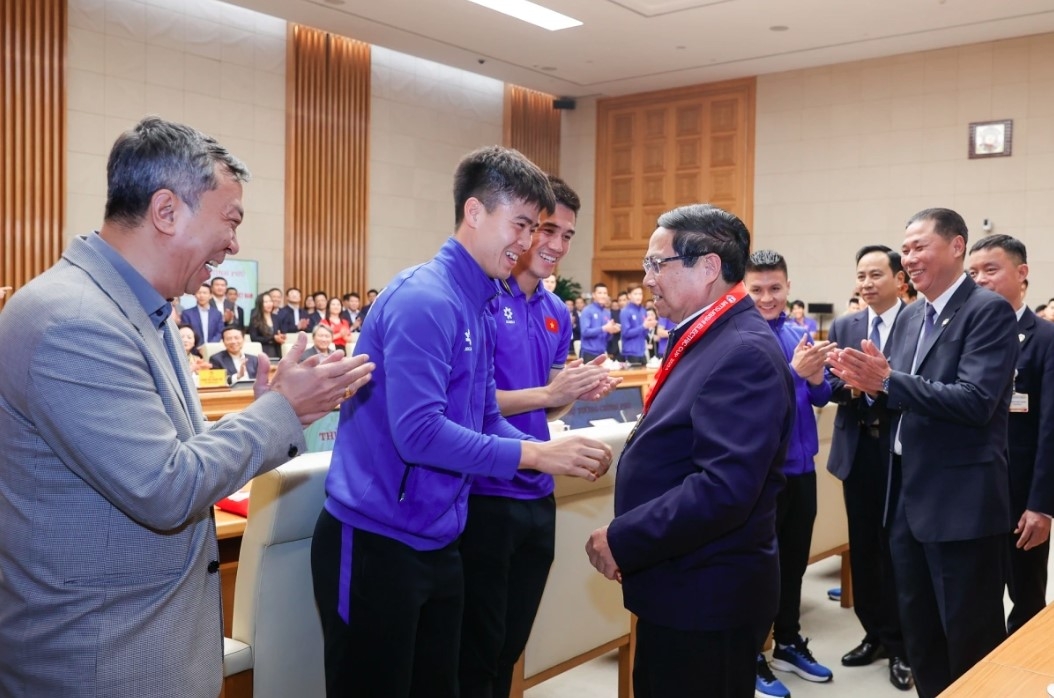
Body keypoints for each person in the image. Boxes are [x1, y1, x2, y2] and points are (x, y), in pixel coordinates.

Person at [0, 116, 374, 697]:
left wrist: (274, 408)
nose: (234, 244)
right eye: (230, 220)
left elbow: (175, 453)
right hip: (101, 663)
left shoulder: (140, 309)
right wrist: (280, 412)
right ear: (167, 211)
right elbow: (165, 485)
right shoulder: (73, 320)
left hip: (145, 645)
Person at [310, 145, 613, 698]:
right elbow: (419, 433)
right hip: (378, 538)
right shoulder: (426, 299)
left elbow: (486, 416)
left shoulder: (479, 303)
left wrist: (542, 448)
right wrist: (535, 453)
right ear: (475, 213)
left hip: (440, 538)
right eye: (519, 224)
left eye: (534, 228)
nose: (527, 243)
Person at [585, 204, 795, 698]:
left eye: (657, 264)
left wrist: (624, 537)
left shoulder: (742, 350)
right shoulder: (710, 336)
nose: (646, 278)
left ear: (708, 268)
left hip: (706, 593)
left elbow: (723, 489)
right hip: (682, 580)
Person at [827, 207, 1018, 698]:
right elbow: (898, 395)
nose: (908, 258)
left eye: (918, 247)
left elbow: (976, 402)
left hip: (961, 503)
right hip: (905, 496)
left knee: (970, 635)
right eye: (904, 248)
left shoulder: (986, 310)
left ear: (956, 246)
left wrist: (887, 381)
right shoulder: (913, 315)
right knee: (922, 634)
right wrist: (867, 387)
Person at [459, 175, 616, 698]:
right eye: (546, 228)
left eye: (568, 235)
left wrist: (576, 389)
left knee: (509, 644)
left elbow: (552, 401)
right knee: (475, 649)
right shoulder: (481, 299)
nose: (556, 245)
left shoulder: (554, 311)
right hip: (485, 489)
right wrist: (549, 394)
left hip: (539, 490)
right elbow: (468, 405)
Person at [745, 250, 835, 696]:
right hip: (762, 474)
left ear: (787, 287)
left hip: (802, 468)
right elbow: (747, 403)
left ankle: (788, 639)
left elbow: (819, 398)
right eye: (757, 289)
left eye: (774, 288)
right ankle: (751, 655)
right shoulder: (738, 336)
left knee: (795, 563)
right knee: (761, 568)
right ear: (743, 288)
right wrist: (794, 373)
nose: (766, 298)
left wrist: (816, 379)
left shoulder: (799, 332)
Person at [825, 245, 912, 691]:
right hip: (858, 448)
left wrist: (880, 383)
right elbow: (833, 384)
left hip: (898, 451)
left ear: (900, 280)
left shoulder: (917, 322)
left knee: (897, 548)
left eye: (876, 274)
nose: (866, 283)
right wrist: (852, 388)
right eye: (861, 275)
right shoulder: (846, 324)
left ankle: (903, 645)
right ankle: (873, 633)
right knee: (862, 546)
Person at [967, 234, 1054, 633]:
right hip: (971, 493)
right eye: (972, 272)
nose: (980, 280)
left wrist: (1042, 504)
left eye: (990, 270)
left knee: (1026, 598)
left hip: (1021, 495)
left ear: (1021, 274)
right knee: (975, 597)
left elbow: (1051, 427)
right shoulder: (967, 335)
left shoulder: (1046, 339)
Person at [580, 283, 617, 362]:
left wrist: (611, 331)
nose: (603, 295)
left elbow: (608, 338)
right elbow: (585, 332)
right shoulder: (587, 310)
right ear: (594, 295)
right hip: (588, 352)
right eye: (600, 293)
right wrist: (604, 328)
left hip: (602, 352)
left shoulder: (607, 312)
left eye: (605, 293)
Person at [619, 284, 652, 366]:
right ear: (629, 296)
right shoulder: (625, 311)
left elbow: (644, 333)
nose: (638, 296)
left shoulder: (643, 310)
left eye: (640, 294)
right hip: (630, 352)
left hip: (642, 351)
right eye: (635, 294)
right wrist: (643, 326)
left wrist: (649, 326)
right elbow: (626, 333)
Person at [248, 291, 285, 360]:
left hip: (277, 351)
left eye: (270, 301)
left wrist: (281, 337)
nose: (269, 304)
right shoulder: (255, 319)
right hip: (262, 351)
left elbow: (281, 332)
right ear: (260, 304)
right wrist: (272, 338)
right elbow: (254, 338)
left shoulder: (276, 318)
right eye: (265, 302)